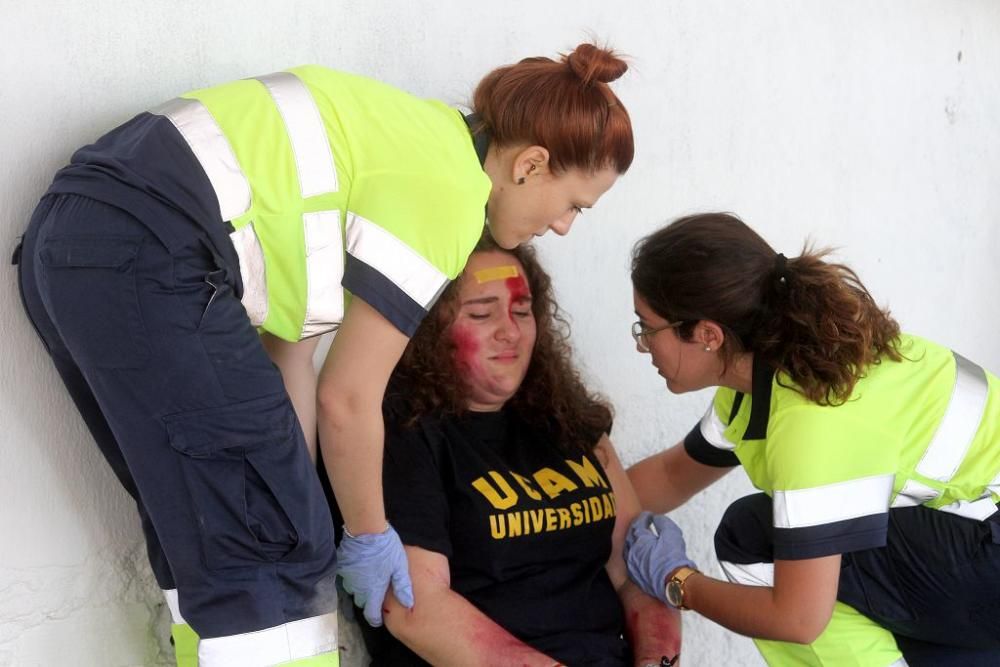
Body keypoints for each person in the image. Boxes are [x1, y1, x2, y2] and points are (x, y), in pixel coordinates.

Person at [13, 44, 634, 666]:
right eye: (574, 204)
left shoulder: (395, 142)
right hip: (152, 249)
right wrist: (365, 532)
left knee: (209, 528)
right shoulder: (446, 190)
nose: (563, 228)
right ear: (531, 164)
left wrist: (303, 497)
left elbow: (292, 358)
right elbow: (350, 396)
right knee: (270, 544)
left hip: (71, 242)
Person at [620, 212, 1000, 666]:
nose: (642, 344)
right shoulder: (763, 380)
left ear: (707, 335)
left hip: (986, 554)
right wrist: (576, 509)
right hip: (968, 545)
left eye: (647, 327)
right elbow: (671, 474)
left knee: (757, 536)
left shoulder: (814, 416)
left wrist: (677, 581)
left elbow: (798, 619)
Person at [353, 237, 681, 666]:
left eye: (522, 311)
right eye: (481, 314)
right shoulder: (401, 432)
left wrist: (657, 660)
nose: (509, 330)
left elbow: (635, 573)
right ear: (429, 327)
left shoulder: (569, 419)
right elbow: (417, 609)